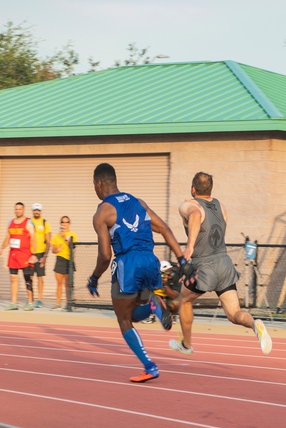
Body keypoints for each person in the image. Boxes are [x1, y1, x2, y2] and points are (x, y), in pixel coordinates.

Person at [87, 163, 185, 382]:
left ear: (99, 183)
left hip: (128, 263)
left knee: (123, 319)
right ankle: (152, 304)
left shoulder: (102, 211)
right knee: (133, 311)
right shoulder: (138, 202)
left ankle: (150, 366)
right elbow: (165, 229)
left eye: (94, 186)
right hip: (151, 261)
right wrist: (182, 259)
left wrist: (94, 278)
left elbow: (104, 255)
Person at [169, 172, 271, 356]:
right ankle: (255, 325)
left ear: (193, 189)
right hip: (224, 264)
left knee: (184, 300)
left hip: (204, 266)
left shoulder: (188, 205)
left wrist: (190, 246)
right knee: (234, 314)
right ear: (210, 189)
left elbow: (194, 214)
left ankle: (187, 344)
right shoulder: (221, 206)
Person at [0, 202, 38, 311]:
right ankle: (13, 303)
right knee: (13, 278)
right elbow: (7, 237)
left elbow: (33, 239)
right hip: (13, 255)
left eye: (20, 209)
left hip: (25, 255)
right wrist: (2, 247)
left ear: (23, 210)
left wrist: (34, 254)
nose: (18, 211)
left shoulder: (28, 222)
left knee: (27, 279)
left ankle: (30, 302)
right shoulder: (10, 222)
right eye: (16, 209)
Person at [131, 260, 181, 329]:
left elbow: (174, 295)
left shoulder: (175, 277)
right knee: (146, 296)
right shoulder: (153, 277)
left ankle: (172, 314)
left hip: (168, 296)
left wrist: (165, 284)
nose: (168, 274)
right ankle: (150, 315)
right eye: (165, 272)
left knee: (176, 303)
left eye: (169, 271)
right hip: (155, 295)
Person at [51, 215, 78, 310]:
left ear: (69, 224)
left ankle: (68, 303)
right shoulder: (56, 236)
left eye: (66, 222)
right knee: (59, 284)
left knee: (67, 284)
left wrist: (64, 237)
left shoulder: (72, 235)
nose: (64, 224)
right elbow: (53, 250)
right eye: (62, 222)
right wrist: (57, 249)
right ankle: (58, 303)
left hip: (69, 261)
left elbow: (72, 246)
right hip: (60, 260)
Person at [29, 203, 52, 308]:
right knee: (29, 277)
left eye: (38, 210)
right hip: (29, 253)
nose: (36, 211)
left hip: (40, 253)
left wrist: (45, 256)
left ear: (40, 211)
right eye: (35, 210)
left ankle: (39, 300)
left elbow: (48, 241)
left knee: (40, 277)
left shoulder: (45, 223)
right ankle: (30, 299)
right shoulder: (28, 222)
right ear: (32, 211)